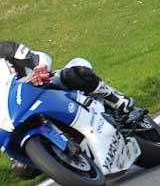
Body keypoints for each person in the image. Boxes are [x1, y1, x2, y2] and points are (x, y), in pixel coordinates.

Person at [0, 41, 135, 180]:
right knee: (21, 169)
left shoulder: (5, 49)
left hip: (40, 86)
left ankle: (114, 98)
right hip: (14, 117)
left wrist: (40, 69)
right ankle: (61, 162)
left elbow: (37, 57)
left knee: (74, 74)